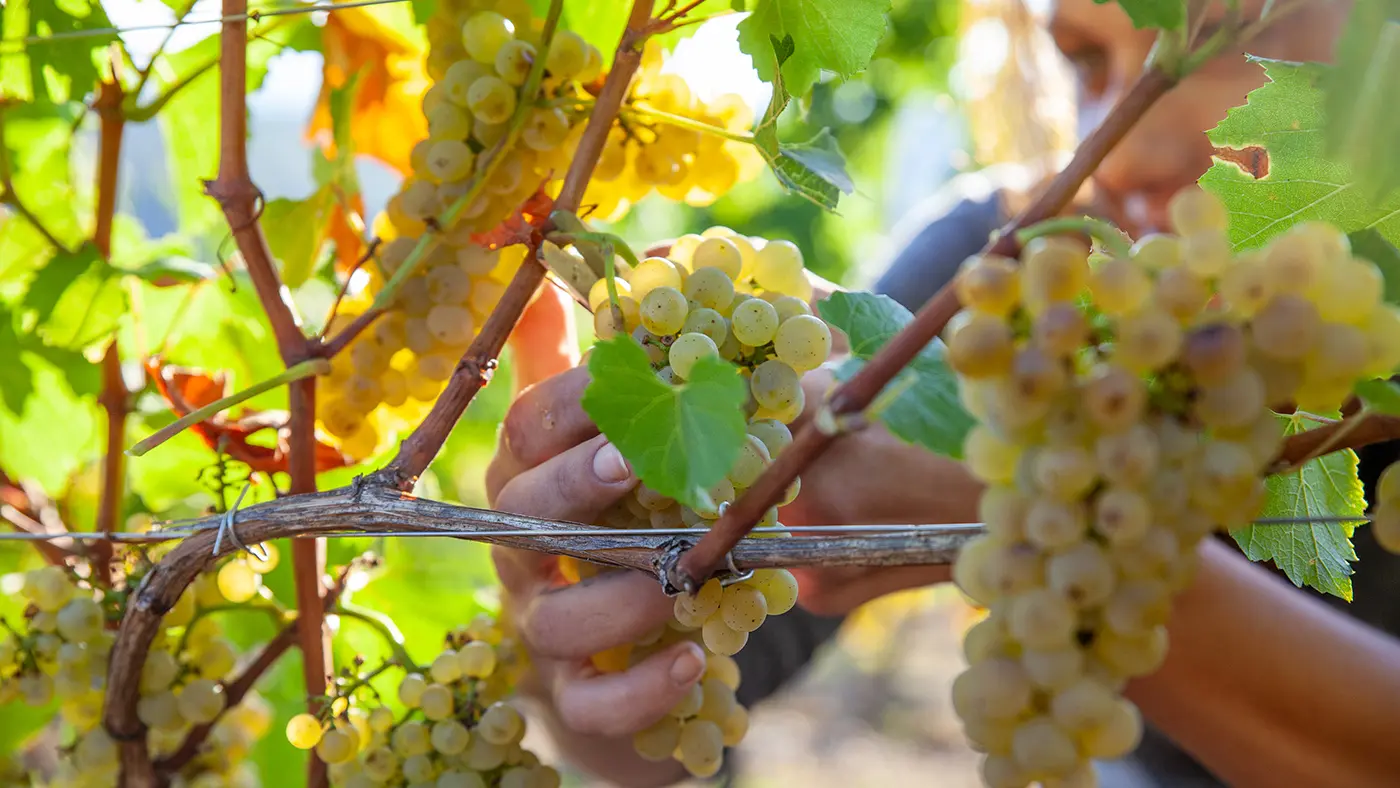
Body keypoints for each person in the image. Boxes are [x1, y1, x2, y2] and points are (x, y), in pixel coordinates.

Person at [486, 0, 1400, 785]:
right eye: (1083, 55)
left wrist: (1039, 514)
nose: (1124, 147)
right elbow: (677, 734)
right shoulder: (1014, 267)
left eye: (1234, 33)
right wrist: (586, 614)